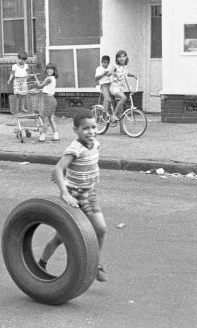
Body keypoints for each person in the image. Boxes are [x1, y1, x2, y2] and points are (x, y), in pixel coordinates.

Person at [38, 109, 108, 283]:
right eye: (85, 128)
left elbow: (81, 166)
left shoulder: (96, 144)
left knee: (100, 229)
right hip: (73, 194)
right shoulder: (75, 148)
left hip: (89, 194)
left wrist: (65, 173)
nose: (90, 132)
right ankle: (41, 264)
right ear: (76, 130)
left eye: (93, 127)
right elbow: (58, 167)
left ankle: (94, 264)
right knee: (60, 237)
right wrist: (64, 191)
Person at [32, 63, 59, 142]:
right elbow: (45, 86)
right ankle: (56, 136)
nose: (48, 70)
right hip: (52, 99)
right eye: (47, 69)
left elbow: (40, 86)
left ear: (54, 70)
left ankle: (42, 137)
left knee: (45, 119)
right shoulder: (52, 78)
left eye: (51, 69)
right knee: (51, 119)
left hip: (48, 100)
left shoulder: (48, 78)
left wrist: (35, 77)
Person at [109, 50, 136, 122]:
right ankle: (113, 115)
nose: (122, 58)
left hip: (120, 89)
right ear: (117, 59)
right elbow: (109, 72)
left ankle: (122, 131)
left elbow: (125, 74)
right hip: (114, 88)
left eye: (123, 56)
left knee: (121, 110)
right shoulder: (115, 66)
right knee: (124, 98)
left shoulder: (125, 67)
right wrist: (113, 73)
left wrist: (133, 75)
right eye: (119, 57)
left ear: (126, 58)